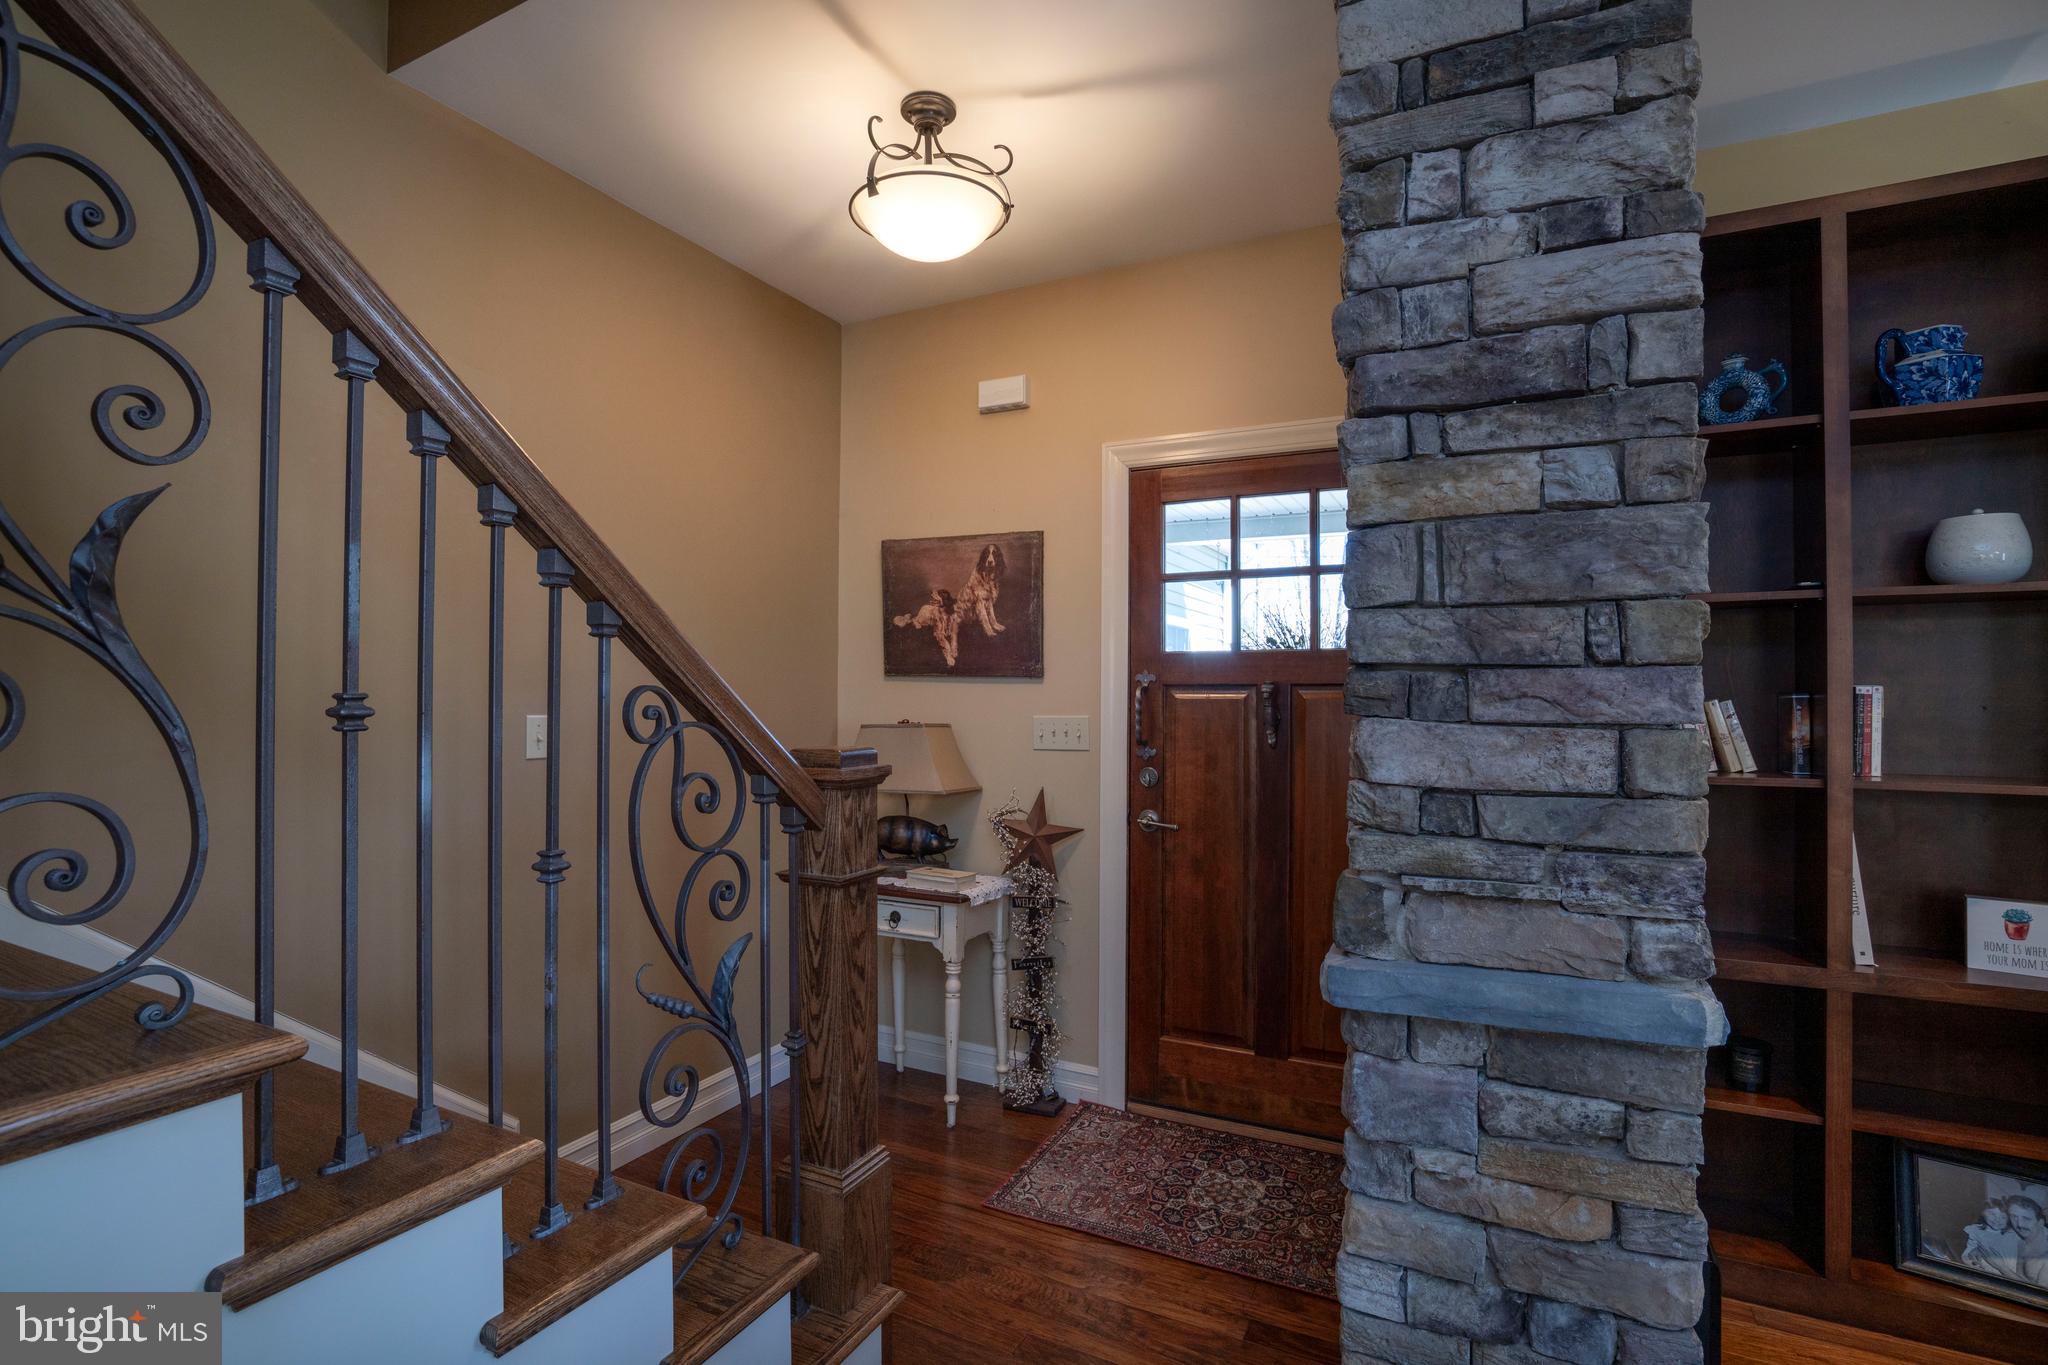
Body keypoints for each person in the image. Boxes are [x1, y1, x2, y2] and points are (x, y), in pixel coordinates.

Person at [1961, 1197, 2020, 1277]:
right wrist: (1975, 1265)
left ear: (2008, 1220)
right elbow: (1967, 1254)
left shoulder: (2012, 1234)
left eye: (2003, 1217)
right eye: (1992, 1214)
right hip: (1983, 1270)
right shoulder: (1976, 1231)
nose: (1997, 1220)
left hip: (2007, 1272)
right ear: (1983, 1213)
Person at [2007, 1196, 2048, 1287]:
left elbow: (2038, 1294)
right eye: (2014, 1217)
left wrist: (2002, 1268)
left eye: (2026, 1218)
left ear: (2040, 1222)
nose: (2019, 1224)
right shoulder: (2017, 1238)